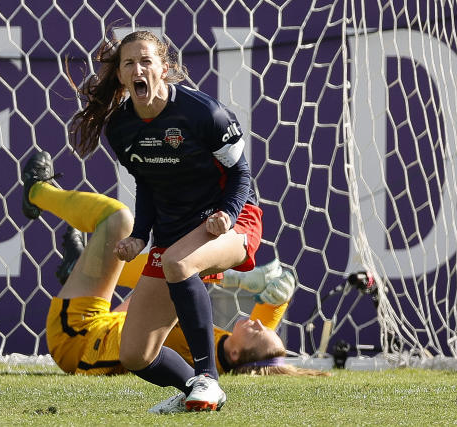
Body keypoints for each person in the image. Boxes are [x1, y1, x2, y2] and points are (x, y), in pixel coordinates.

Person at [22, 152, 328, 414]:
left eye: (261, 333)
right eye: (266, 327)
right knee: (170, 269)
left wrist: (233, 277)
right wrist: (277, 301)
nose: (262, 325)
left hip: (78, 336)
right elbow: (260, 344)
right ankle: (81, 265)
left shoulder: (202, 356)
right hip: (102, 326)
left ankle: (36, 192)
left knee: (118, 219)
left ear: (236, 356)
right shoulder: (223, 346)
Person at [67, 29, 259, 411]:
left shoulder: (205, 113)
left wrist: (227, 214)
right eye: (129, 63)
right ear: (121, 76)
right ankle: (193, 388)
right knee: (135, 354)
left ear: (164, 68)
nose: (138, 69)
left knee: (177, 261)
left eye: (146, 61)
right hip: (174, 232)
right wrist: (140, 235)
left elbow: (241, 174)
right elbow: (148, 181)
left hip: (233, 221)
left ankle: (208, 379)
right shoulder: (121, 128)